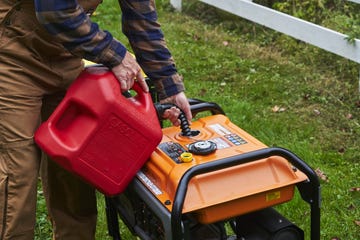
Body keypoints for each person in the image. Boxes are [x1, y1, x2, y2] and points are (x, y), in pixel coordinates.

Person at [0, 0, 192, 239]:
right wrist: (116, 55)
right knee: (19, 172)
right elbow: (54, 10)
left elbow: (142, 20)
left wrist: (169, 86)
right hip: (11, 55)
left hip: (66, 55)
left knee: (74, 165)